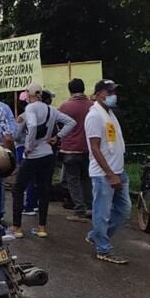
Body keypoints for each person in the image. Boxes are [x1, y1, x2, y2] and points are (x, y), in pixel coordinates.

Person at [9, 83, 76, 239]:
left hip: (32, 155)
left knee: (18, 188)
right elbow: (71, 122)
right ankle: (41, 227)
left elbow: (30, 127)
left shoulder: (30, 109)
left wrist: (28, 146)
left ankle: (17, 227)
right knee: (43, 189)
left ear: (29, 94)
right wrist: (57, 137)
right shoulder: (51, 110)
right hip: (47, 154)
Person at [85, 79, 131, 265]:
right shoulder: (94, 116)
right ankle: (103, 248)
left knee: (125, 209)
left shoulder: (109, 113)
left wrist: (117, 172)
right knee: (101, 212)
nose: (112, 95)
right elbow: (94, 148)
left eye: (113, 91)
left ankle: (96, 235)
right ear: (98, 95)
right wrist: (110, 174)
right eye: (108, 92)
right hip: (103, 174)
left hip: (118, 170)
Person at [59, 79, 94, 222]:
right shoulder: (92, 106)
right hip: (89, 149)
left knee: (73, 180)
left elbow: (58, 125)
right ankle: (90, 207)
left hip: (70, 149)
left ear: (70, 90)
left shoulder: (65, 107)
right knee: (87, 178)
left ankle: (79, 210)